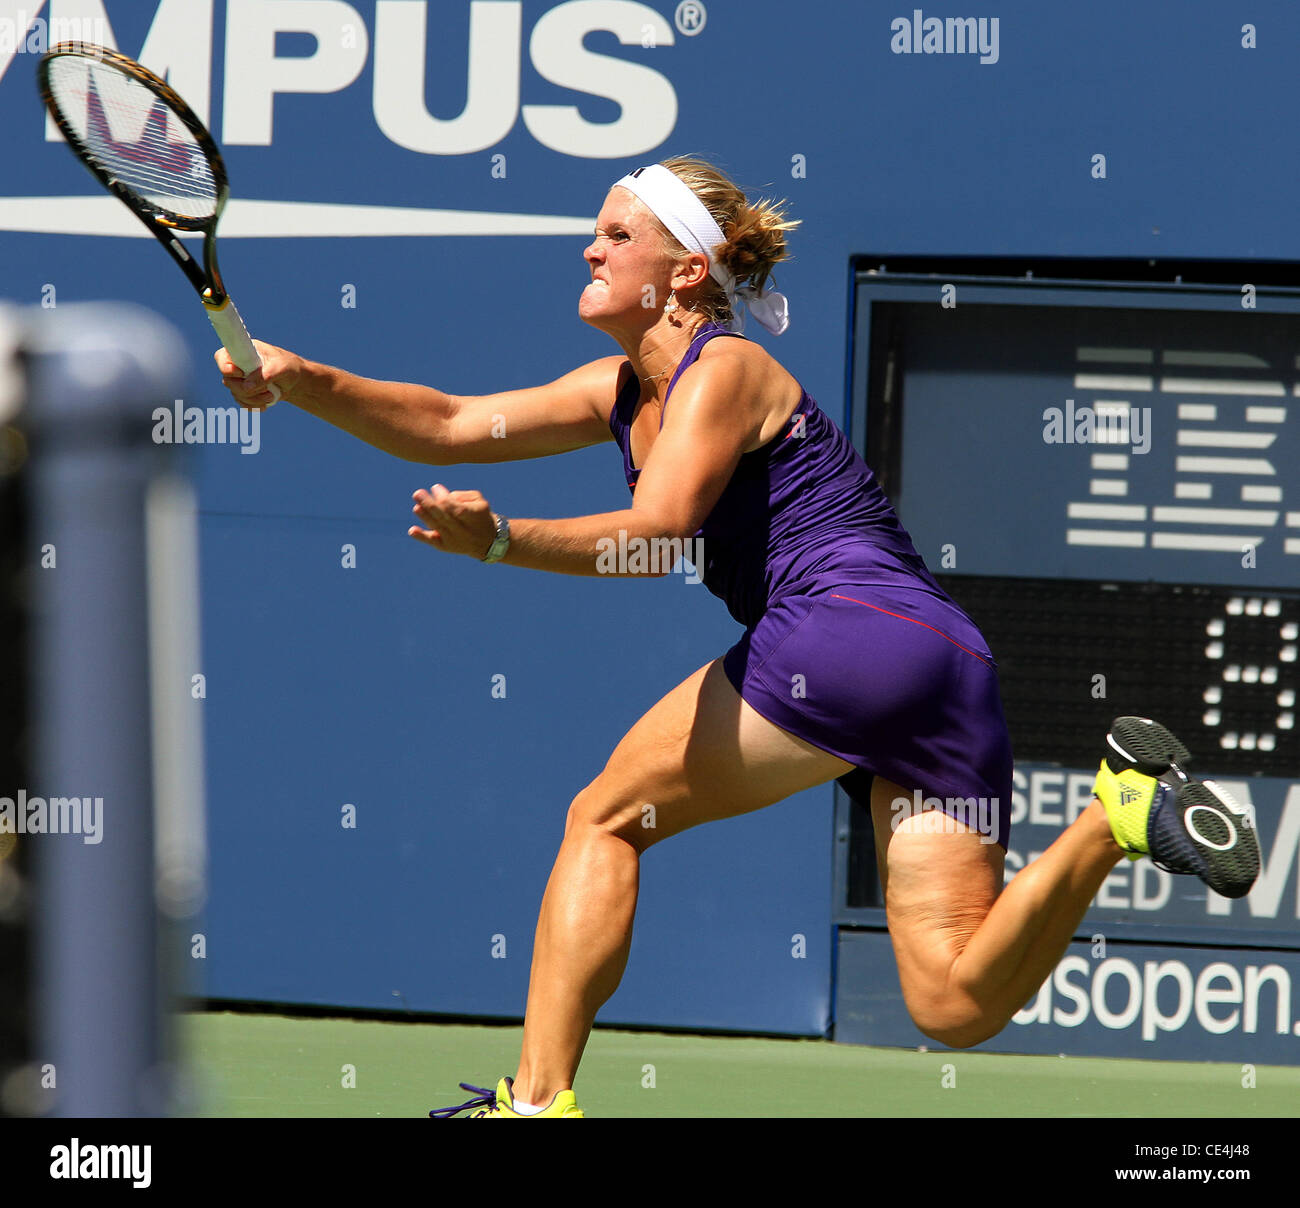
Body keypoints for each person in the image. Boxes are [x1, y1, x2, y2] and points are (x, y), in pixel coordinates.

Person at [219, 156, 1261, 1119]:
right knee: (951, 1001)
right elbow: (448, 422)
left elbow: (658, 535)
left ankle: (533, 1104)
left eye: (617, 235)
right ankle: (1116, 812)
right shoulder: (621, 390)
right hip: (946, 661)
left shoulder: (720, 372)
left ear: (681, 275)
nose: (590, 249)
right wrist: (299, 375)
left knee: (605, 816)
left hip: (842, 635)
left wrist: (500, 540)